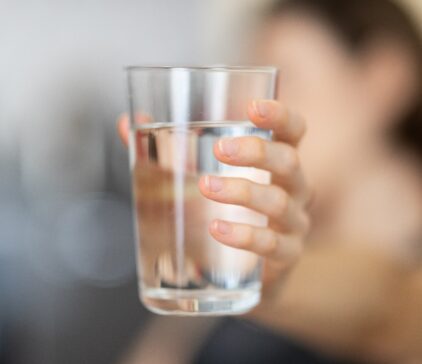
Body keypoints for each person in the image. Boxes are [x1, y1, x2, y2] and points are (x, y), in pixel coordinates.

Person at [117, 0, 422, 362]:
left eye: (285, 78)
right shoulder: (252, 245)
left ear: (384, 77)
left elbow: (388, 305)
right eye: (245, 86)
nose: (246, 108)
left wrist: (271, 284)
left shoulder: (394, 279)